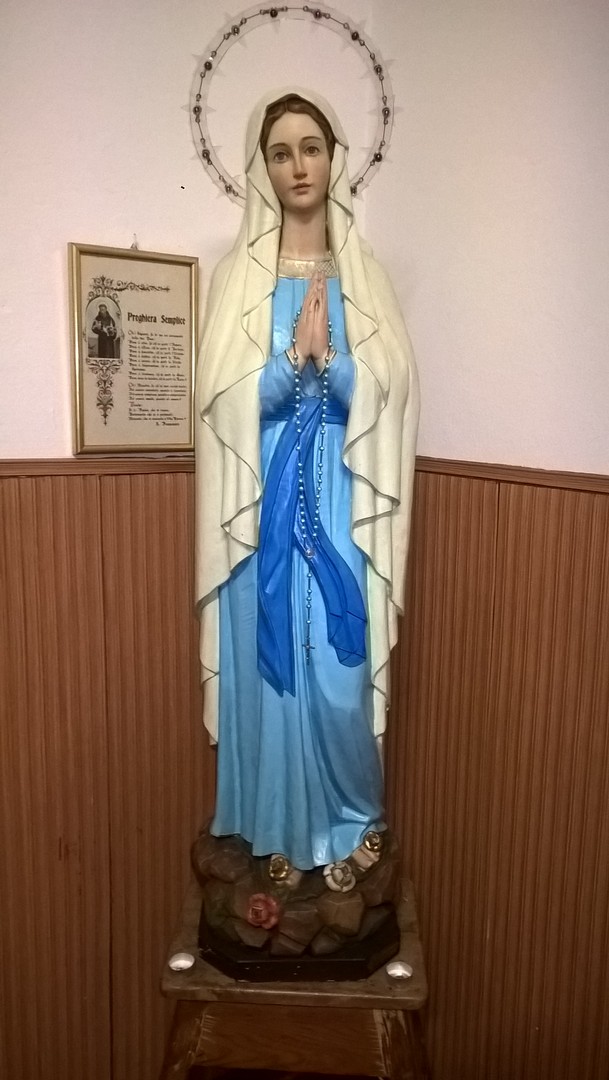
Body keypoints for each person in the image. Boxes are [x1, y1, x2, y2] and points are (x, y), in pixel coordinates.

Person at [195, 88, 419, 885]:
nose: (298, 166)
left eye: (311, 147)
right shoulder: (237, 278)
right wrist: (290, 363)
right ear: (262, 167)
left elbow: (394, 390)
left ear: (334, 159)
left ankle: (351, 817)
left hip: (339, 496)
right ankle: (275, 830)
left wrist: (336, 363)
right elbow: (217, 401)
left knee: (337, 666)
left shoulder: (365, 277)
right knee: (267, 668)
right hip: (261, 499)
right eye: (281, 152)